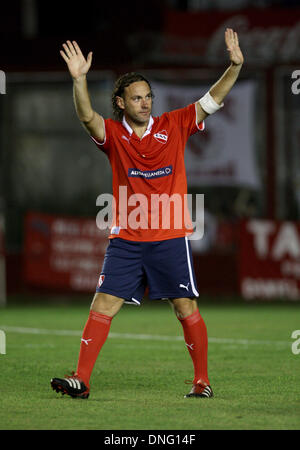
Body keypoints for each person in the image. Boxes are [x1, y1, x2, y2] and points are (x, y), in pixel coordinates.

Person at [51, 28, 244, 399]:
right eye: (136, 98)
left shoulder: (174, 124)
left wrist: (234, 67)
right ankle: (82, 379)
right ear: (121, 103)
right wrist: (79, 81)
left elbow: (212, 99)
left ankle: (202, 382)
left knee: (185, 305)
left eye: (148, 97)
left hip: (169, 237)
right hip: (126, 237)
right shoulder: (112, 135)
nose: (145, 103)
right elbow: (86, 116)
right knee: (103, 303)